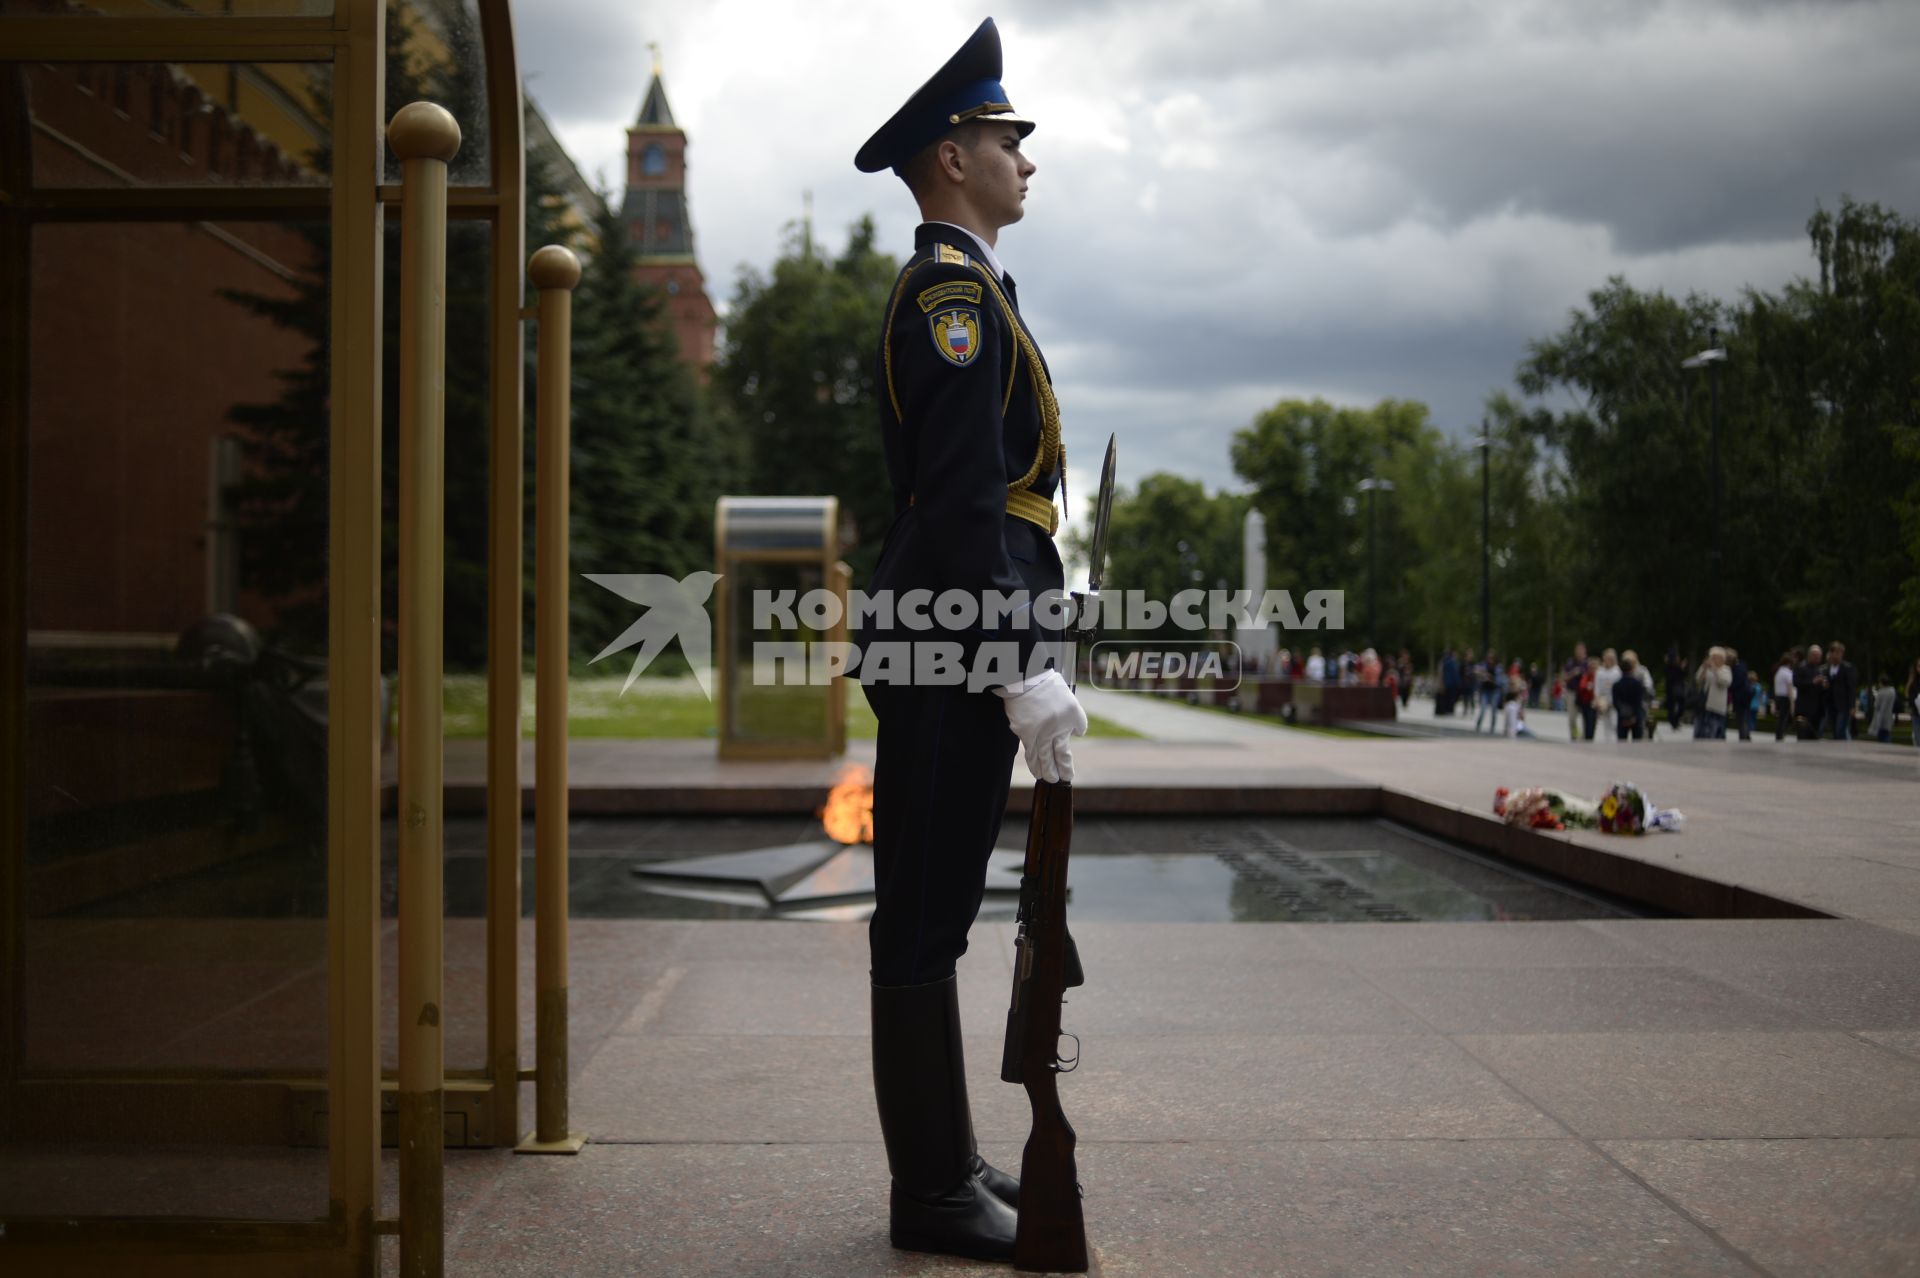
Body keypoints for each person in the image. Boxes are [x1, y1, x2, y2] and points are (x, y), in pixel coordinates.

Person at [852, 20, 1083, 1260]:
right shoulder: (952, 298)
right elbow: (955, 508)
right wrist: (1018, 663)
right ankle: (929, 1192)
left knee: (936, 911)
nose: (1023, 160)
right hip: (949, 651)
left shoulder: (978, 290)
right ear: (952, 157)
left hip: (957, 644)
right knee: (923, 915)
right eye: (1006, 138)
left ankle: (942, 1166)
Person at [1694, 646, 1732, 739]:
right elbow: (1698, 679)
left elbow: (1725, 682)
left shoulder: (1725, 669)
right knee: (1700, 730)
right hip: (1704, 704)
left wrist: (1715, 669)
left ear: (1722, 659)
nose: (1713, 660)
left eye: (1716, 657)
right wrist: (1704, 668)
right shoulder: (1707, 668)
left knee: (1713, 731)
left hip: (1716, 707)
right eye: (1712, 657)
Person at [1794, 644, 1829, 740]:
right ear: (1809, 655)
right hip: (1804, 708)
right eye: (1815, 656)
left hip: (1817, 709)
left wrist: (1824, 686)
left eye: (1818, 657)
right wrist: (1812, 682)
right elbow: (1797, 683)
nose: (1817, 658)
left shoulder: (1820, 670)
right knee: (1803, 736)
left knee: (1815, 737)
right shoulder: (1801, 668)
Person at [1826, 641, 1858, 741]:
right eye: (1832, 652)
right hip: (1831, 704)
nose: (1835, 655)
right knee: (1835, 731)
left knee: (1841, 729)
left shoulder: (1848, 668)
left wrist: (1852, 706)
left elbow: (1851, 688)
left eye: (1837, 653)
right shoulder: (1827, 669)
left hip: (1843, 705)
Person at [1613, 651, 1648, 740]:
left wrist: (1623, 714)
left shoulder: (1617, 685)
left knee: (1622, 742)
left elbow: (1615, 702)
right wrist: (1634, 716)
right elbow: (1638, 701)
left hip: (1622, 716)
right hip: (1635, 716)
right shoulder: (1637, 684)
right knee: (1637, 742)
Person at [1593, 647, 1622, 738]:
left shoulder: (1617, 671)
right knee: (1606, 725)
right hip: (1603, 700)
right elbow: (1597, 687)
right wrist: (1597, 699)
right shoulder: (1600, 671)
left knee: (1615, 723)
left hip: (1614, 701)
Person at [1771, 650, 1797, 742]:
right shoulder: (1788, 673)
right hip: (1785, 697)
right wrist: (1792, 702)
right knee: (1784, 718)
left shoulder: (1778, 672)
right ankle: (1780, 735)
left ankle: (1779, 734)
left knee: (1780, 718)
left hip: (1778, 696)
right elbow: (1789, 688)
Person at [1869, 673, 1896, 743]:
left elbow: (1877, 705)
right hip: (1889, 715)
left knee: (1881, 735)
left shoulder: (1880, 692)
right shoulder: (1892, 691)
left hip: (1880, 716)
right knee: (1887, 733)